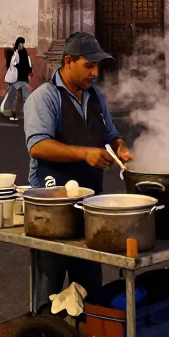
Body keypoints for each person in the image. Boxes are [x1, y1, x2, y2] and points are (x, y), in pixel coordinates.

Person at [23, 31, 132, 310]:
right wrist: (85, 153)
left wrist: (120, 148)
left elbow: (111, 134)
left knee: (91, 289)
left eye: (97, 67)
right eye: (89, 66)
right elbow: (38, 146)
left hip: (90, 208)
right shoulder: (44, 98)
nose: (95, 73)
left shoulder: (95, 96)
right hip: (52, 212)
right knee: (49, 291)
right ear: (68, 61)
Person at [3, 36, 33, 122]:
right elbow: (15, 65)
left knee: (21, 96)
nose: (22, 45)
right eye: (21, 43)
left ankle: (15, 113)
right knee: (21, 96)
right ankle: (16, 113)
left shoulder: (20, 53)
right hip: (19, 78)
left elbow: (13, 65)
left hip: (21, 77)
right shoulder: (19, 53)